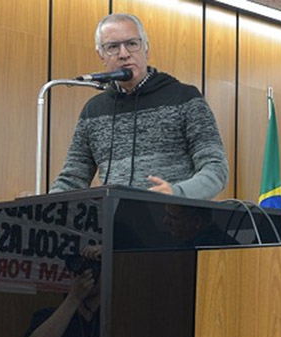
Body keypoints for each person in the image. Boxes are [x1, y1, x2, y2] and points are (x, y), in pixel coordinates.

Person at [50, 13, 228, 199]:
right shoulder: (93, 111)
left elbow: (215, 168)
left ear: (146, 49)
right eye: (112, 47)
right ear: (101, 55)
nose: (124, 54)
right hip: (114, 217)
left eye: (132, 44)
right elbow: (72, 178)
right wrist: (43, 208)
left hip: (174, 214)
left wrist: (177, 193)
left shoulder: (185, 98)